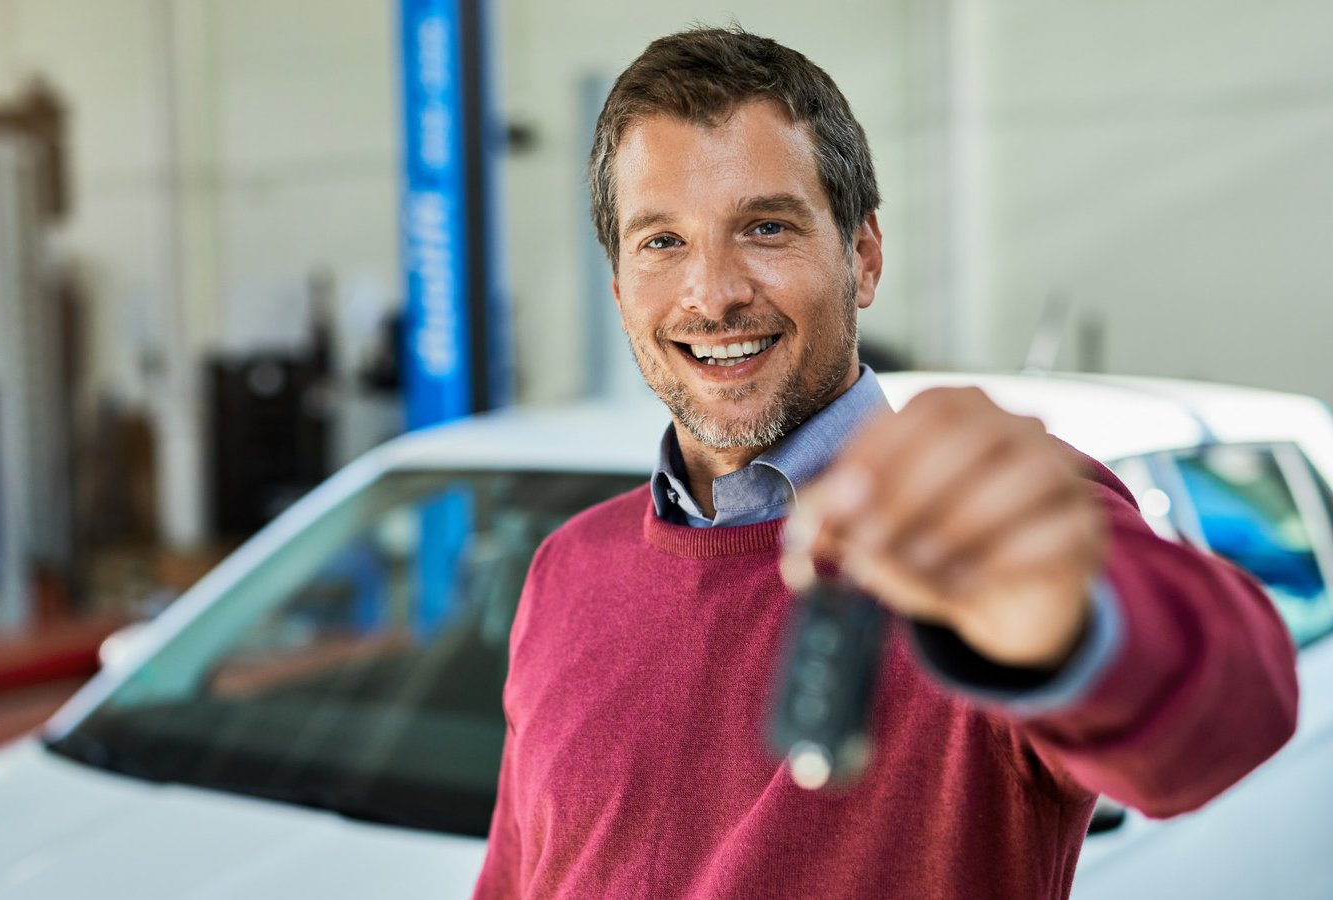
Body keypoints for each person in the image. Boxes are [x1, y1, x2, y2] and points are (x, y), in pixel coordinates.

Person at [473, 26, 1298, 899]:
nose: (711, 294)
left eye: (765, 226)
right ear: (617, 288)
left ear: (862, 256)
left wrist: (1065, 621)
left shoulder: (986, 528)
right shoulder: (566, 568)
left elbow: (1231, 718)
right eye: (661, 242)